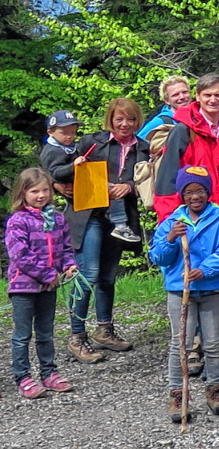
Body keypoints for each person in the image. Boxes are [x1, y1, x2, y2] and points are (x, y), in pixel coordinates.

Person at [149, 166, 219, 423]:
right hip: (180, 292)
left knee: (213, 344)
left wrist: (205, 270)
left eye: (200, 191)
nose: (194, 197)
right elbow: (157, 257)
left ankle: (216, 391)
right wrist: (170, 239)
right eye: (188, 192)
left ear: (208, 192)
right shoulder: (172, 222)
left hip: (211, 289)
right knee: (181, 343)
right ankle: (178, 395)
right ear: (181, 194)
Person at [67, 99, 147, 359]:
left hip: (119, 219)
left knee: (108, 276)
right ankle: (77, 336)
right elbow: (62, 165)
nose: (125, 124)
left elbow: (150, 180)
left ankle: (104, 330)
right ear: (110, 120)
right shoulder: (93, 142)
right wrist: (58, 186)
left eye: (131, 119)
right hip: (89, 214)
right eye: (119, 119)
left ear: (138, 121)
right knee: (87, 274)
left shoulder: (143, 148)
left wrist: (131, 187)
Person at [152, 73, 219, 235]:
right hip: (197, 226)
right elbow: (167, 183)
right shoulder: (183, 132)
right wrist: (171, 224)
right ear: (197, 97)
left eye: (217, 95)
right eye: (207, 95)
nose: (212, 100)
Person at [6, 168, 78, 399]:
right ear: (23, 193)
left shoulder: (57, 218)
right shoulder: (17, 221)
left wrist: (68, 265)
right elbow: (20, 255)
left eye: (45, 190)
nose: (41, 195)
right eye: (35, 191)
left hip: (50, 286)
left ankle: (49, 372)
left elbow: (66, 247)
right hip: (24, 287)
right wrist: (48, 274)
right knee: (22, 334)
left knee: (46, 332)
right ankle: (22, 376)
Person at [138, 75, 193, 141]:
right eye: (175, 95)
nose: (182, 97)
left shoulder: (198, 117)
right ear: (167, 101)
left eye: (185, 92)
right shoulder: (160, 121)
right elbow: (137, 143)